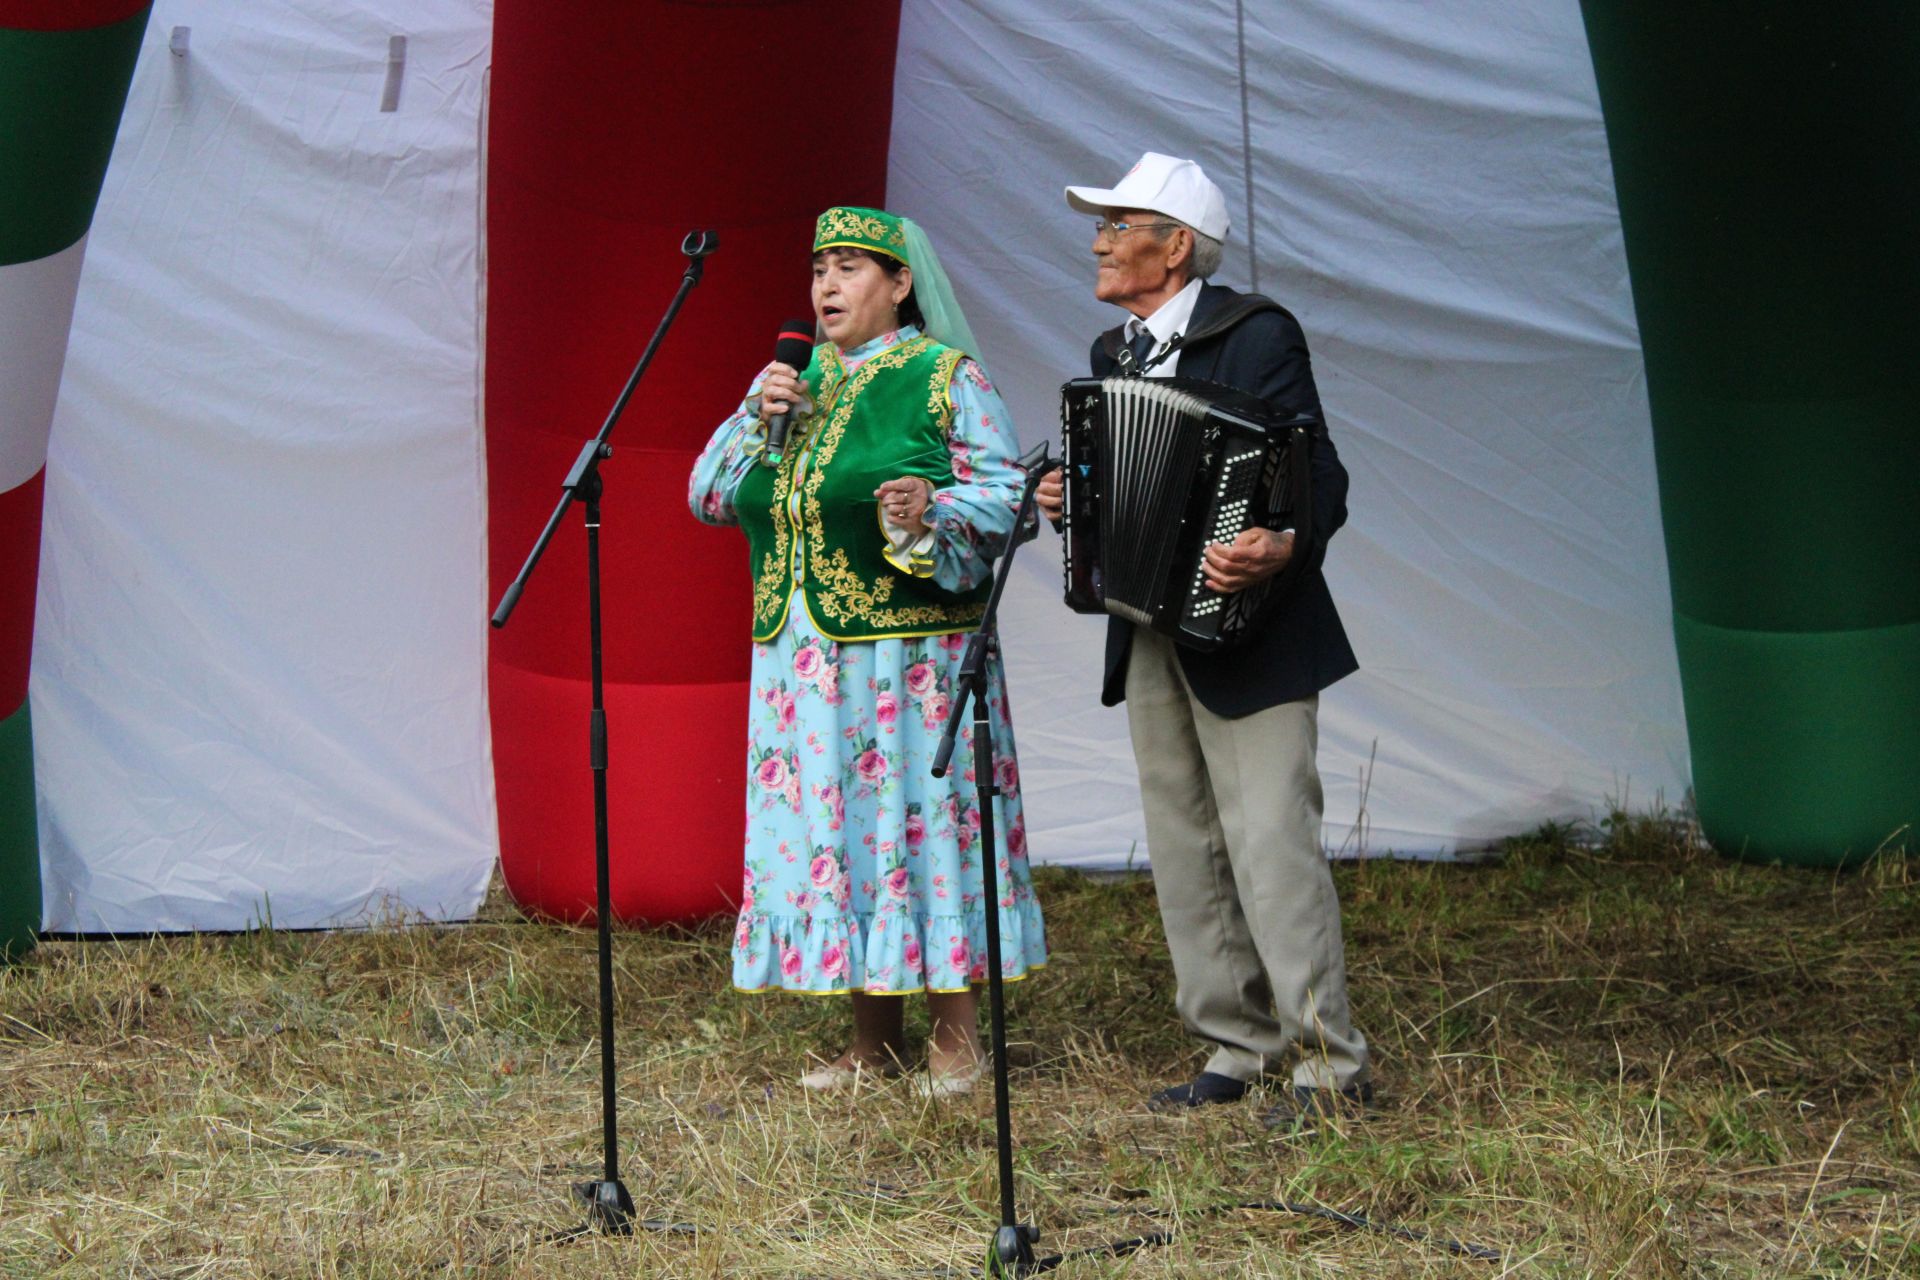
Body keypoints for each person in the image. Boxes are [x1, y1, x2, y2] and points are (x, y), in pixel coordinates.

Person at [1035, 153, 1370, 1126]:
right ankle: (1237, 1039)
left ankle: (1328, 1061)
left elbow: (1324, 472)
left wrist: (1282, 540)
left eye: (1119, 222)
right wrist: (1073, 499)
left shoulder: (1256, 335)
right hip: (1150, 630)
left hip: (1255, 628)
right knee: (1185, 840)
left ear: (1175, 246)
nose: (1098, 239)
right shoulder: (1113, 353)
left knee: (1269, 837)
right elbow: (1123, 503)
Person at [689, 206, 1046, 1097]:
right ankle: (872, 1040)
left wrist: (933, 512)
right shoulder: (789, 385)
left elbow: (1010, 501)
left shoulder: (943, 377)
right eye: (820, 270)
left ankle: (957, 1040)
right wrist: (753, 420)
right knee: (844, 835)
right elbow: (705, 496)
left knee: (921, 826)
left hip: (909, 661)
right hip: (805, 665)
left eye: (851, 268)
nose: (828, 286)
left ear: (900, 284)